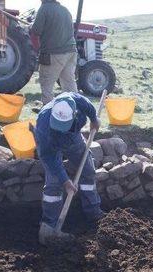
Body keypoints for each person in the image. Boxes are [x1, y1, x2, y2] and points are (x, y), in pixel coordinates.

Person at [34, 92, 103, 244]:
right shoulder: (43, 126)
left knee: (88, 171)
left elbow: (88, 106)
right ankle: (49, 227)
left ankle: (93, 214)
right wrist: (65, 180)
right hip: (51, 144)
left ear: (74, 114)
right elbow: (48, 157)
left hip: (73, 138)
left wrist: (94, 119)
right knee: (54, 183)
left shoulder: (76, 101)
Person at [30, 0, 78, 105]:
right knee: (69, 84)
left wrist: (38, 51)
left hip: (54, 53)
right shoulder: (65, 10)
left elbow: (34, 34)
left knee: (46, 84)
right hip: (71, 52)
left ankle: (47, 113)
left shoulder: (44, 9)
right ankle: (74, 111)